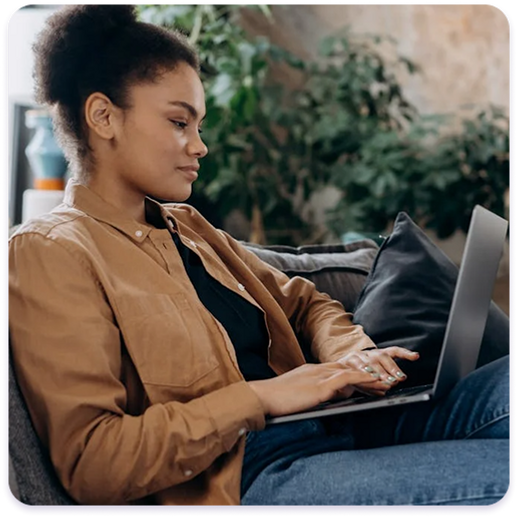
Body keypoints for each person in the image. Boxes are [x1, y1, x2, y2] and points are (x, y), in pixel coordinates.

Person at [8, 4, 510, 507]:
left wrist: (347, 351)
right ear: (103, 116)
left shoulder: (190, 229)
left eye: (199, 126)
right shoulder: (52, 252)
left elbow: (305, 302)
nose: (199, 146)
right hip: (256, 475)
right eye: (179, 122)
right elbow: (93, 461)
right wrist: (263, 396)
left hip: (343, 429)